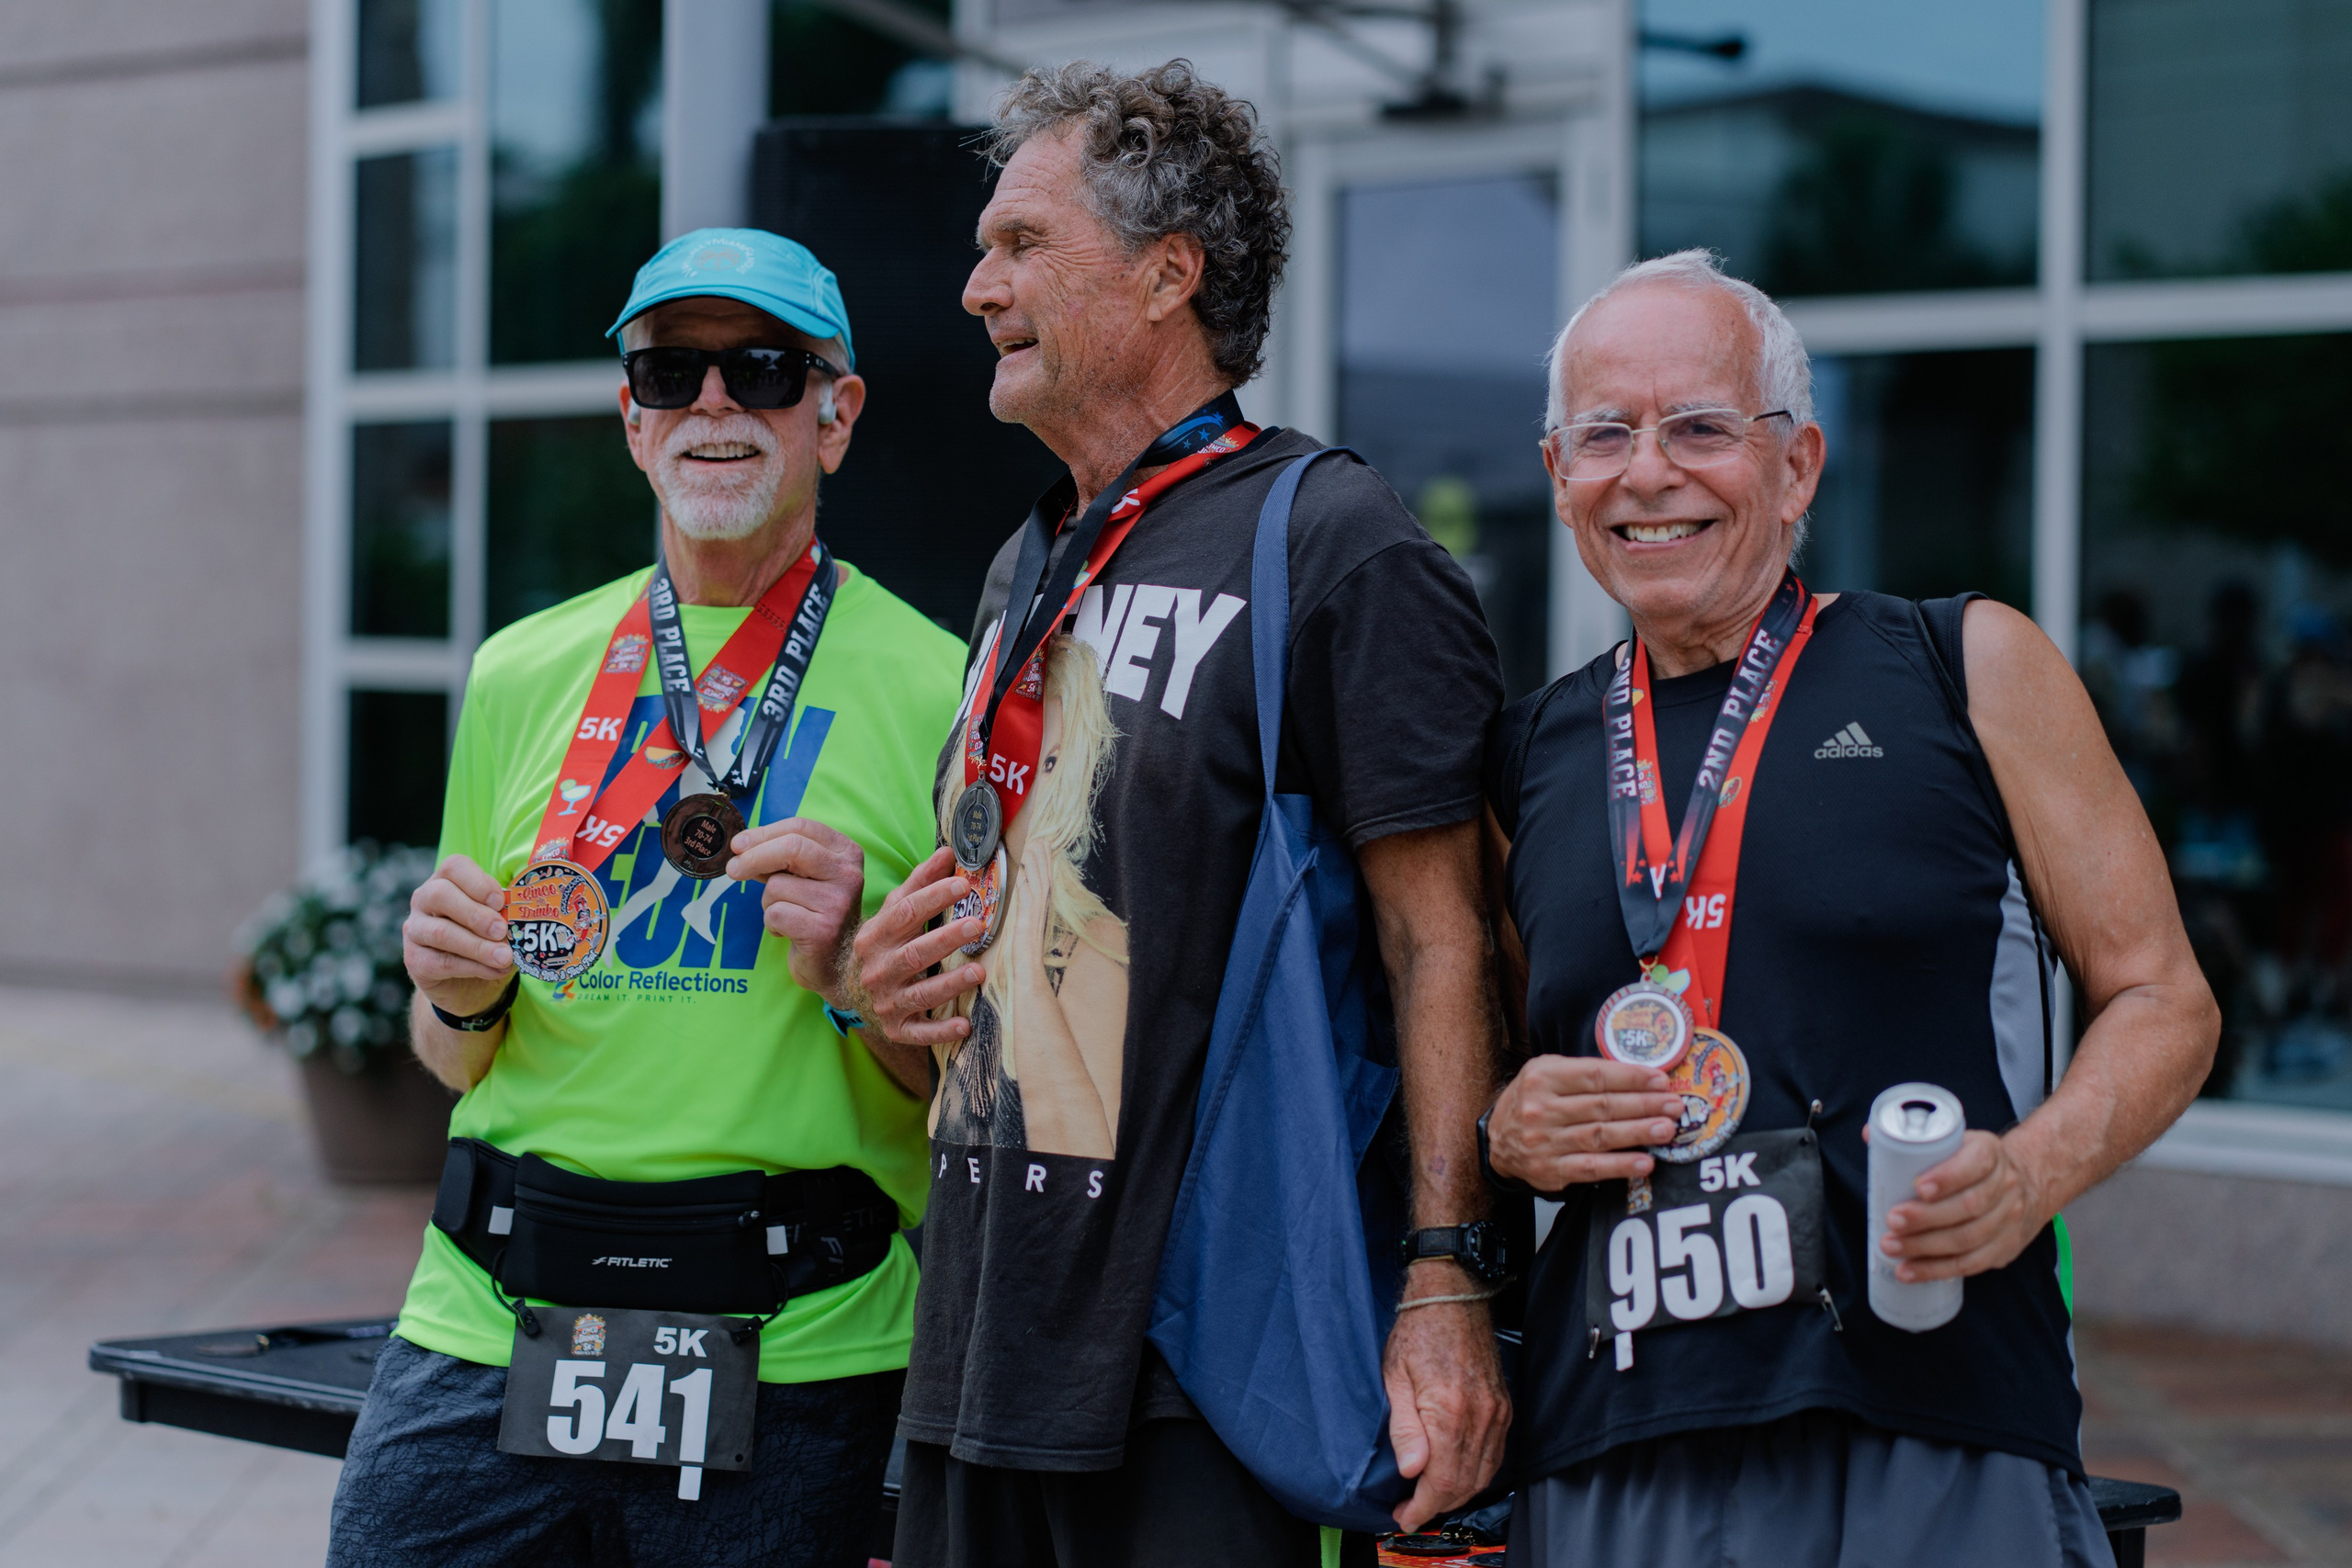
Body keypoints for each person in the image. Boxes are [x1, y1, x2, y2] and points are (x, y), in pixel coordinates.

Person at [845, 61, 1512, 1567]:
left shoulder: (1335, 543)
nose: (974, 289)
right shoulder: (1025, 566)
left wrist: (1446, 1281)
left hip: (1194, 1369)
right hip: (977, 1342)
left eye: (1021, 245)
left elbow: (1442, 944)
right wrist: (875, 982)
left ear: (1167, 276)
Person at [1479, 249, 2219, 1567]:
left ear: (1799, 466)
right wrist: (1506, 1122)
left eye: (1701, 426)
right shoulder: (1527, 753)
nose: (1648, 472)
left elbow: (2165, 996)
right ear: (1558, 478)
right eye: (1606, 435)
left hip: (1935, 1414)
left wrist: (2034, 1172)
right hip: (1615, 1442)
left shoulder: (1963, 662)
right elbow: (1483, 1069)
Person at [326, 227, 966, 1567]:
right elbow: (459, 1055)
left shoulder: (942, 686)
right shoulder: (519, 670)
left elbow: (972, 1090)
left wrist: (857, 978)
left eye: (764, 370)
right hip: (489, 1312)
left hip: (794, 1338)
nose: (715, 405)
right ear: (632, 420)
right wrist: (456, 991)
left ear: (835, 416)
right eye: (673, 372)